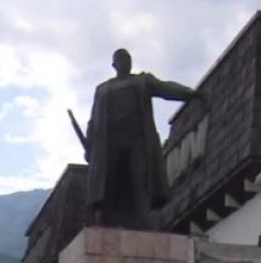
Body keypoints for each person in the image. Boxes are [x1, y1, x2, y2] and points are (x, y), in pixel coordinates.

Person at [85, 48, 201, 229]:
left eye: (128, 58)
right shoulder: (102, 89)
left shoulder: (142, 81)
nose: (126, 62)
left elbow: (166, 88)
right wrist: (90, 146)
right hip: (110, 144)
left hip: (137, 141)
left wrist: (192, 94)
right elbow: (93, 121)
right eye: (121, 59)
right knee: (108, 183)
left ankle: (144, 221)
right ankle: (104, 222)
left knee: (140, 179)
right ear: (114, 65)